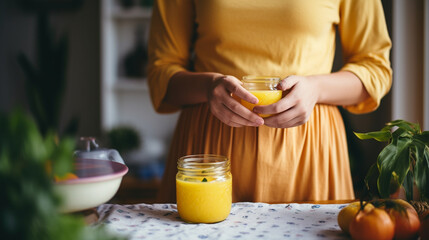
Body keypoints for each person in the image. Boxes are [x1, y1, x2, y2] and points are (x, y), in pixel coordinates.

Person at [147, 0, 392, 203]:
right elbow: (160, 74)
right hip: (210, 152)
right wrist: (208, 86)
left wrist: (316, 88)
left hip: (308, 151)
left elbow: (376, 69)